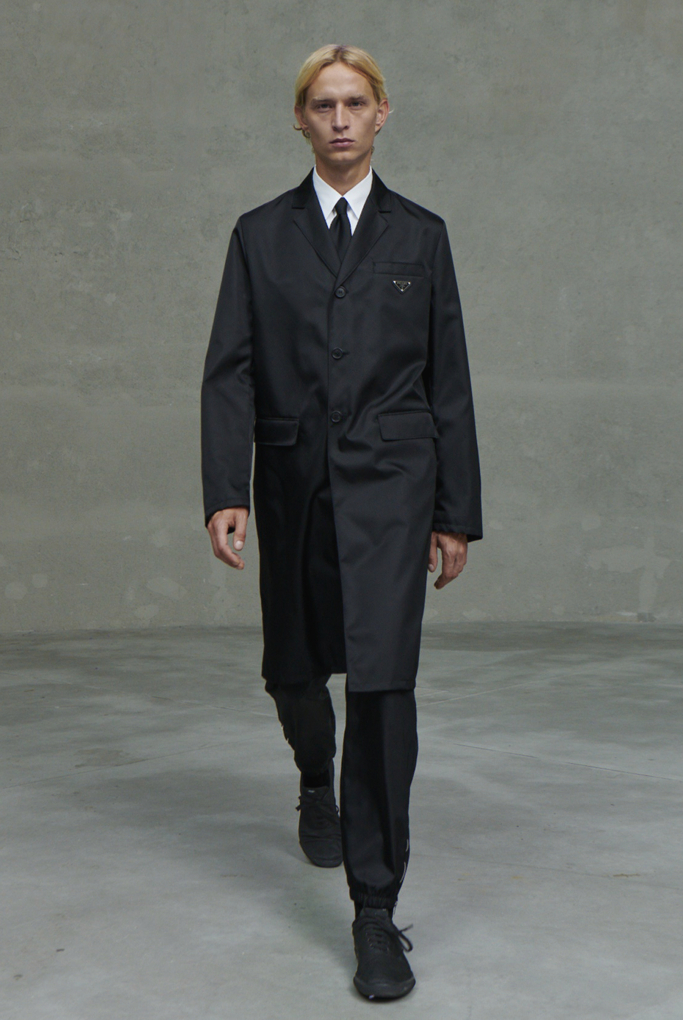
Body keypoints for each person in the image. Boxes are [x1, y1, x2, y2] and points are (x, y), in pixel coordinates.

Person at [200, 43, 482, 1000]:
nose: (339, 119)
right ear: (300, 119)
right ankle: (313, 776)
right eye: (322, 104)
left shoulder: (421, 237)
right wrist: (227, 489)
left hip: (393, 490)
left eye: (354, 102)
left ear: (381, 112)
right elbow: (230, 370)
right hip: (291, 485)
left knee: (383, 685)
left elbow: (449, 379)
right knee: (293, 667)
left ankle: (373, 909)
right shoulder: (259, 235)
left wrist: (454, 512)